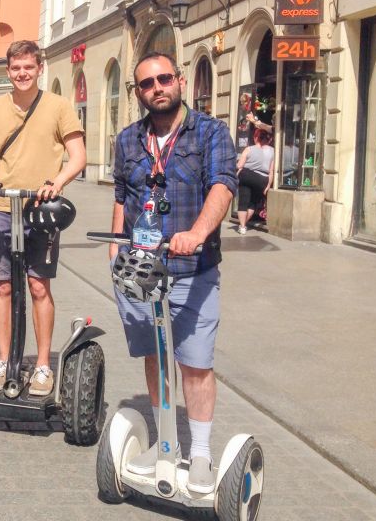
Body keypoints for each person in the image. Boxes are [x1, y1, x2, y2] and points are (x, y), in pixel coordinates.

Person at [108, 51, 237, 493]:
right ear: (138, 92)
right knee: (155, 355)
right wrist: (113, 247)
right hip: (141, 268)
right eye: (147, 83)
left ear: (179, 81)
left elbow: (223, 185)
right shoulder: (128, 139)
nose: (157, 87)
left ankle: (199, 453)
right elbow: (122, 196)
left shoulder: (210, 132)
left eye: (164, 79)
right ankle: (166, 443)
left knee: (195, 363)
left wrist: (197, 232)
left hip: (192, 268)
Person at [0, 40, 86, 397]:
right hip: (3, 208)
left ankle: (43, 366)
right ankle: (4, 360)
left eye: (28, 68)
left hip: (41, 211)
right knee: (3, 285)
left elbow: (77, 155)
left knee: (38, 286)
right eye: (16, 68)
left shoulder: (59, 106)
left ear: (39, 68)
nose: (22, 74)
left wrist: (59, 181)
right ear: (9, 69)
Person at [236, 128, 274, 234]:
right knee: (252, 203)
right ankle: (243, 224)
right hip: (262, 179)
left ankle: (242, 226)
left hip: (247, 176)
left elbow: (240, 165)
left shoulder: (249, 149)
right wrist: (268, 185)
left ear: (255, 137)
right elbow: (271, 171)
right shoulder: (273, 151)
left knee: (243, 202)